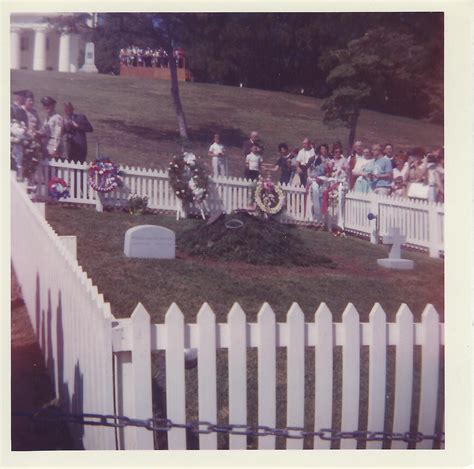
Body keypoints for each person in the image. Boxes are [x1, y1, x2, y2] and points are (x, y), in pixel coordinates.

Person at [10, 90, 28, 174]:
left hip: (20, 140)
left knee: (18, 161)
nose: (24, 99)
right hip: (11, 139)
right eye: (23, 97)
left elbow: (26, 125)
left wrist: (24, 130)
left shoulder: (23, 111)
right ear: (18, 97)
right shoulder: (10, 108)